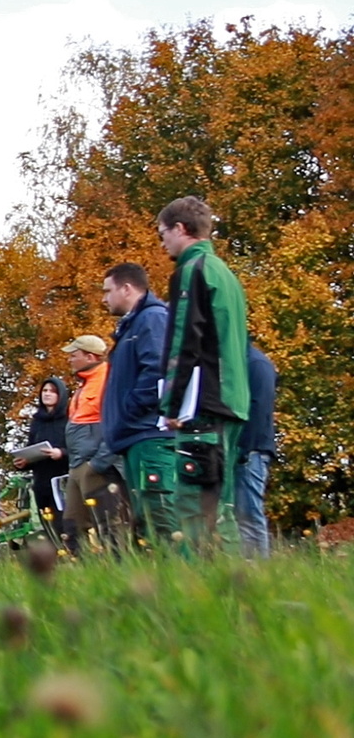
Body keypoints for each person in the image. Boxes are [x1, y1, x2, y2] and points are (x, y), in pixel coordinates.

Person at [158, 196, 250, 552]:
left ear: (180, 229)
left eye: (162, 233)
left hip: (202, 405)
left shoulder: (192, 271)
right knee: (220, 505)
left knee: (195, 508)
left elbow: (184, 339)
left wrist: (170, 405)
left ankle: (198, 590)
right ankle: (237, 589)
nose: (162, 242)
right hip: (232, 402)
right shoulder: (225, 273)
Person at [100, 263, 172, 543]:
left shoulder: (152, 319)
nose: (104, 299)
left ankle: (185, 581)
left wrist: (131, 410)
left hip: (149, 435)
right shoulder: (132, 326)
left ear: (126, 288)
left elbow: (158, 370)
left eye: (108, 291)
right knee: (146, 522)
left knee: (161, 518)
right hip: (136, 436)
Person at [61, 335, 123, 552]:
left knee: (109, 524)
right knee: (71, 526)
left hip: (97, 466)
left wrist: (99, 462)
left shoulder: (108, 380)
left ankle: (121, 569)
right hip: (77, 465)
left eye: (74, 355)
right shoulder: (83, 385)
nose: (70, 360)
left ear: (90, 356)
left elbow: (117, 423)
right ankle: (83, 574)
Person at [15, 376, 72, 550]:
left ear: (60, 395)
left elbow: (79, 450)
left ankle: (70, 554)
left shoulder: (69, 419)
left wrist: (61, 453)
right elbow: (31, 447)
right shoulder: (37, 421)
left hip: (63, 480)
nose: (47, 394)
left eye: (52, 391)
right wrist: (23, 461)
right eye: (44, 391)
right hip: (41, 480)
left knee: (63, 522)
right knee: (46, 524)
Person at [235, 340, 277, 558]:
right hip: (244, 451)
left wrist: (242, 450)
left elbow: (259, 412)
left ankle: (258, 570)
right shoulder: (244, 363)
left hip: (251, 452)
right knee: (240, 516)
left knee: (249, 515)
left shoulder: (256, 364)